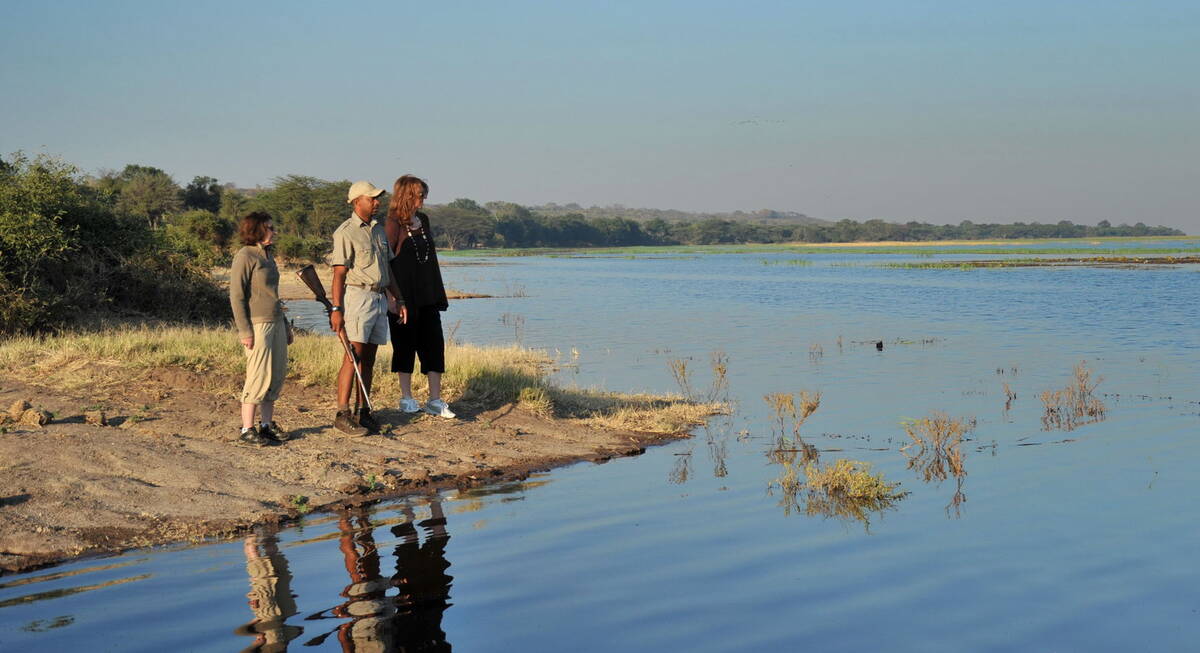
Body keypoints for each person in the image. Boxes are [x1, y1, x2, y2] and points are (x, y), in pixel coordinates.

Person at [330, 181, 406, 435]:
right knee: (353, 355)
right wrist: (336, 309)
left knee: (369, 359)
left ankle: (364, 412)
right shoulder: (345, 232)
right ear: (356, 201)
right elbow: (339, 274)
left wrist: (399, 298)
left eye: (377, 199)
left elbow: (389, 268)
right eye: (371, 199)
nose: (377, 202)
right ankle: (343, 414)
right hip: (358, 297)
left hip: (379, 297)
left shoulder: (378, 230)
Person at [385, 176, 455, 419]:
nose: (423, 199)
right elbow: (385, 261)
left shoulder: (423, 220)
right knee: (404, 344)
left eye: (424, 194)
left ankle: (435, 400)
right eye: (419, 195)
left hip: (427, 293)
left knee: (434, 344)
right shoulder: (392, 223)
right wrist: (391, 297)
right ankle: (406, 398)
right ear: (406, 195)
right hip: (403, 294)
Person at [230, 212, 292, 446]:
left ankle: (266, 425)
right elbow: (236, 296)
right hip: (258, 324)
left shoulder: (268, 255)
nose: (273, 231)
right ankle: (247, 428)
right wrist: (245, 330)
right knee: (258, 375)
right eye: (269, 227)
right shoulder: (245, 255)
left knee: (275, 375)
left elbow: (274, 296)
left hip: (276, 320)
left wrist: (285, 325)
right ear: (256, 229)